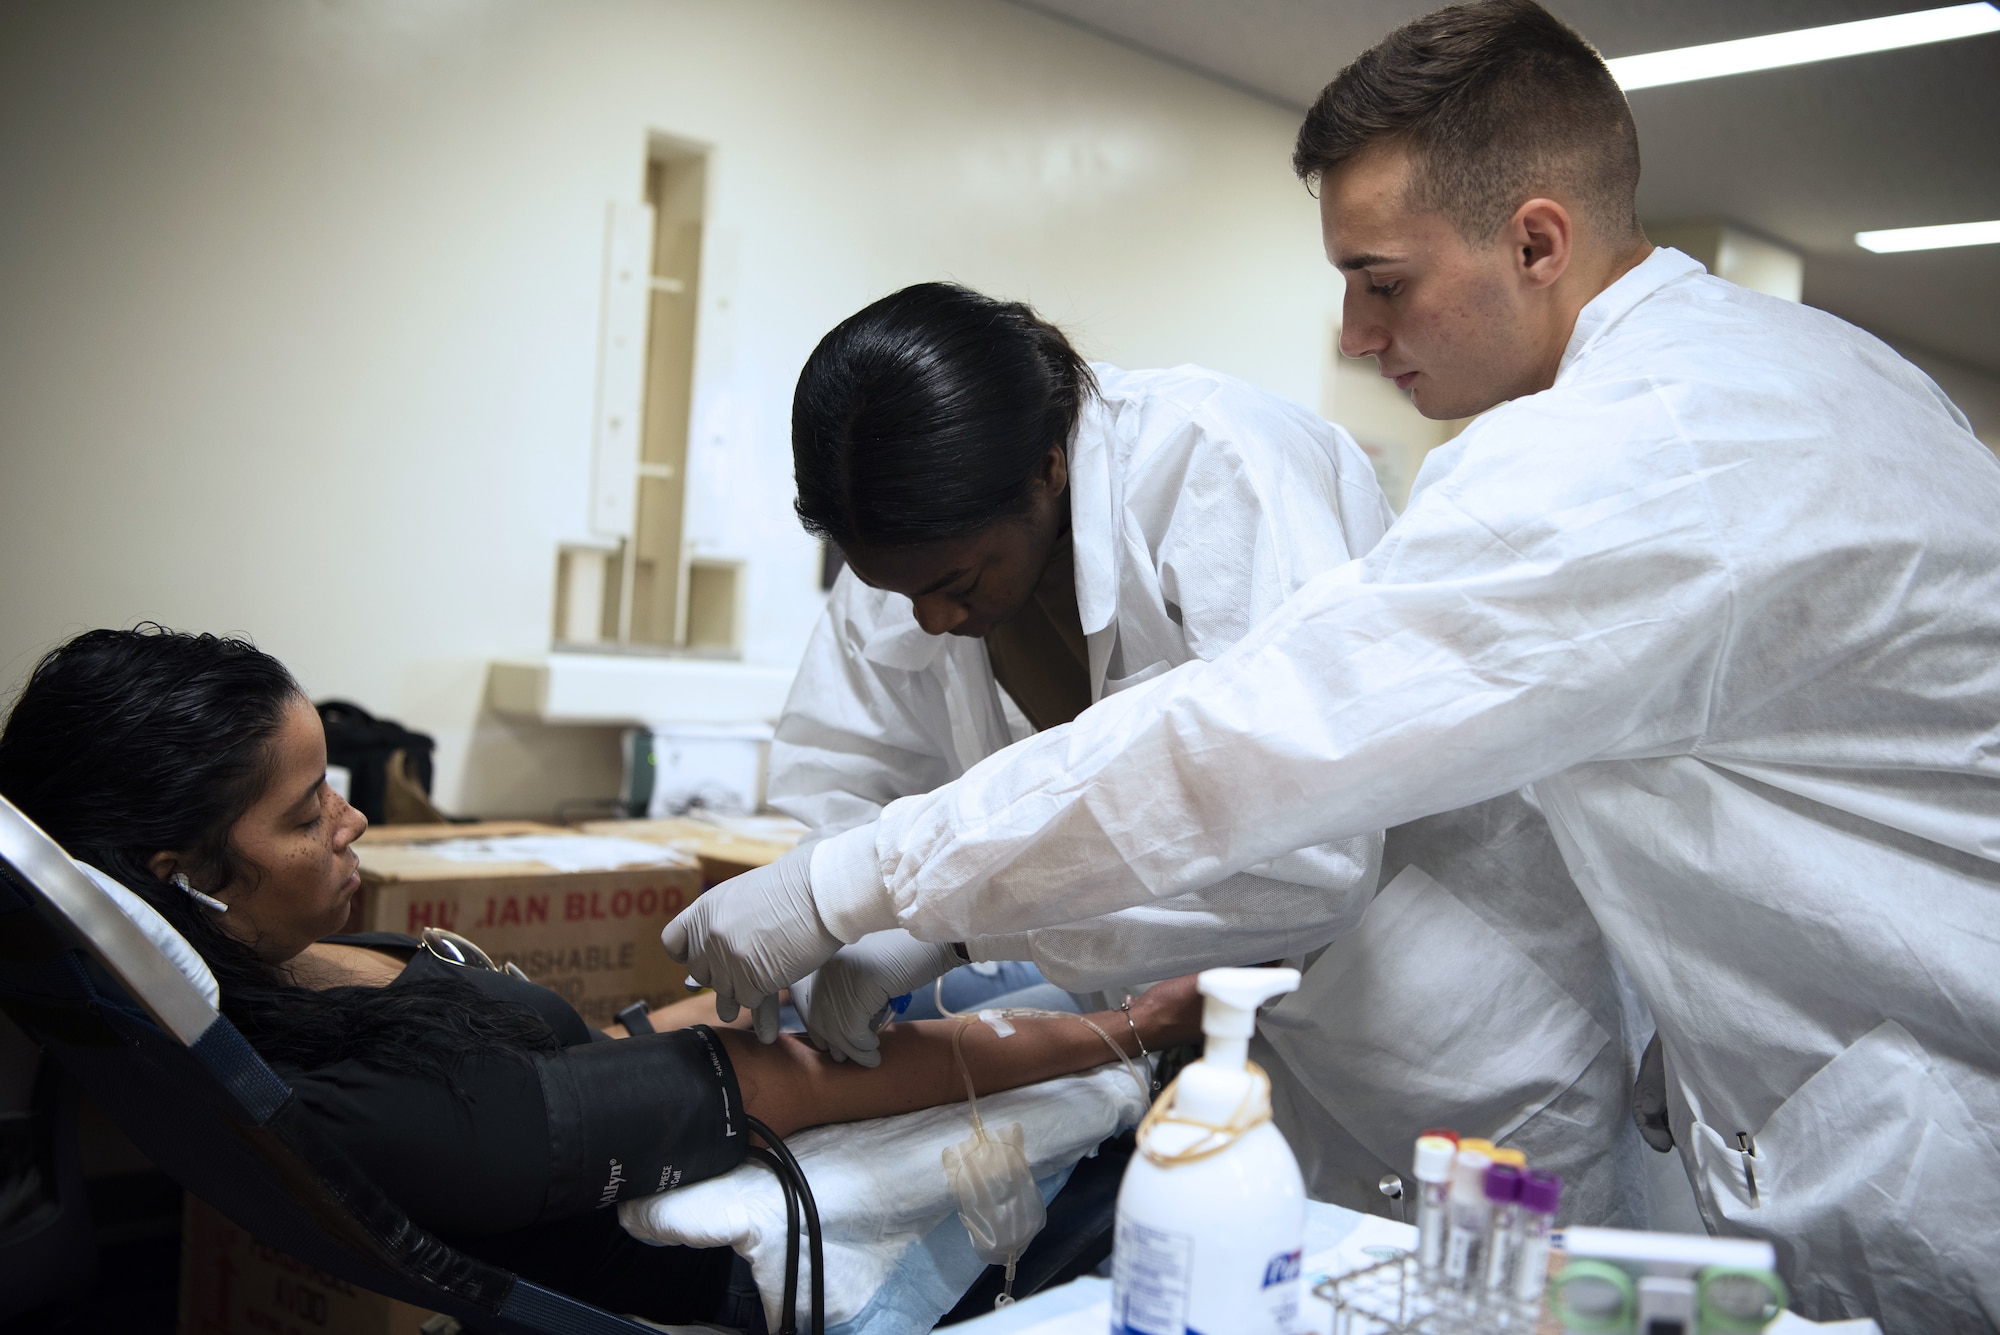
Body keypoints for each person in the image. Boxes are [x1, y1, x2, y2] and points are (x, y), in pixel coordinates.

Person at [666, 2, 2000, 1328]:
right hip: (1828, 1077)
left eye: (1382, 281)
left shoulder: (1647, 448)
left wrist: (879, 880)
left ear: (1537, 239)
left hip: (1893, 1113)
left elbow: (1262, 733)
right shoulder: (1795, 373)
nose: (1358, 337)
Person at [0, 627, 1201, 1327]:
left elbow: (600, 1061)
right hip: (713, 1267)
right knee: (1121, 1117)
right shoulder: (418, 1116)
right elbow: (799, 1086)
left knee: (990, 979)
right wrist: (1129, 1034)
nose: (355, 817)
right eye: (308, 813)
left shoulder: (277, 980)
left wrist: (772, 975)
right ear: (186, 879)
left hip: (653, 1111)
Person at [764, 281, 1648, 1220]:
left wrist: (945, 918)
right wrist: (827, 929)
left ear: (1044, 470)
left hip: (1459, 1032)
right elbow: (842, 775)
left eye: (957, 581)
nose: (932, 619)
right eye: (902, 593)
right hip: (1243, 1069)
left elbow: (1307, 850)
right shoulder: (917, 548)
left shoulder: (1217, 465)